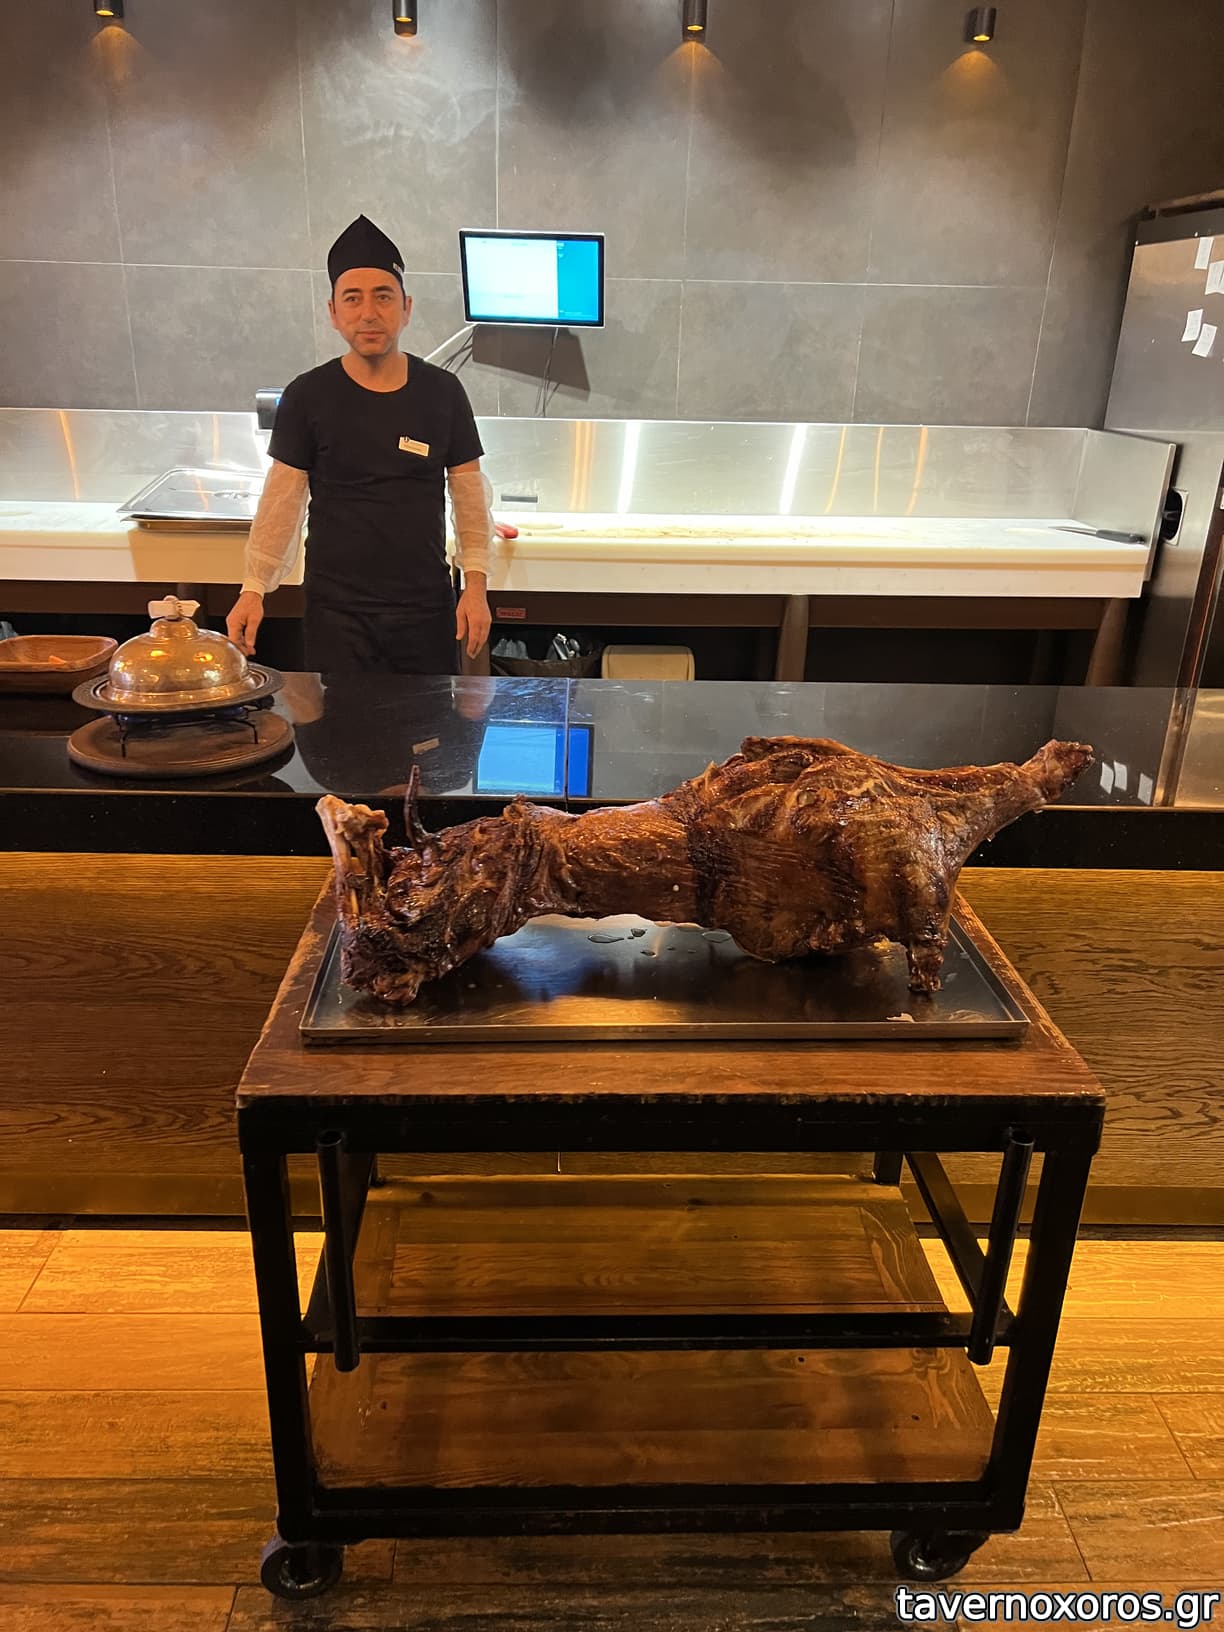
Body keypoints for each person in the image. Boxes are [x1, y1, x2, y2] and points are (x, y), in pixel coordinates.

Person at [226, 214, 493, 673]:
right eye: (353, 298)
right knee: (340, 720)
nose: (369, 312)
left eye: (383, 296)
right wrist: (254, 588)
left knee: (429, 719)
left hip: (424, 610)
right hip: (336, 614)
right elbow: (282, 501)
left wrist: (476, 587)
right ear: (333, 312)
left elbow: (470, 497)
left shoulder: (443, 392)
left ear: (406, 308)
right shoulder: (307, 396)